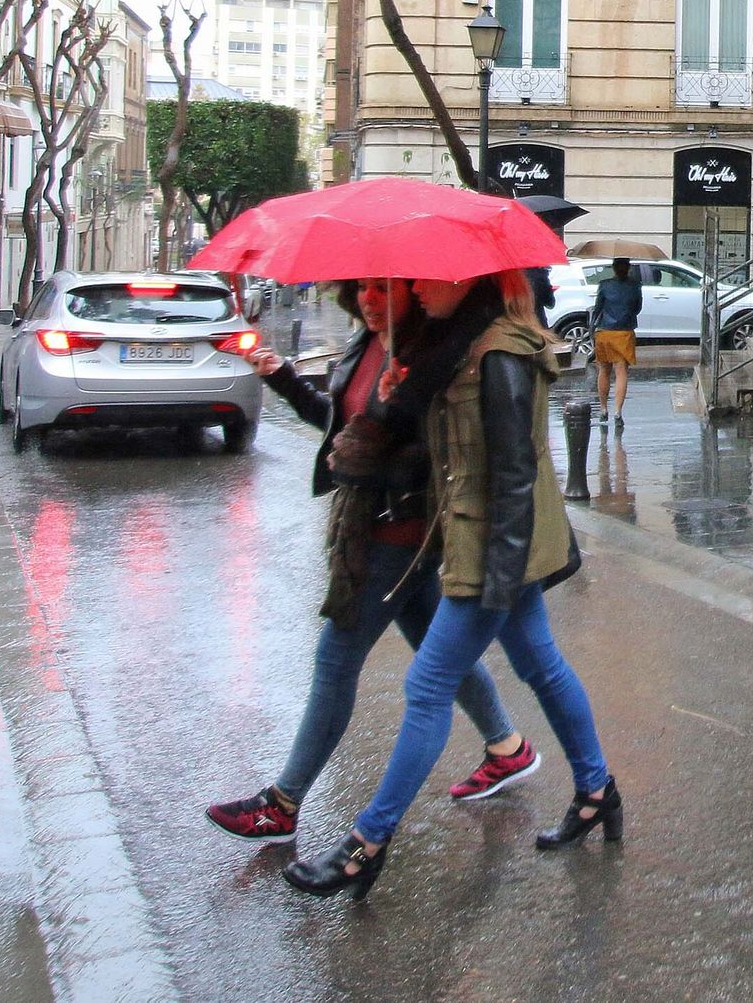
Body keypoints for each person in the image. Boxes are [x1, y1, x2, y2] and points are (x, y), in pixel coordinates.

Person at [283, 270, 620, 901]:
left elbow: (515, 474)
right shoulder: (454, 347)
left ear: (467, 280)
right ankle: (597, 790)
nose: (417, 289)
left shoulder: (498, 353)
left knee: (428, 684)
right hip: (480, 538)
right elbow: (440, 449)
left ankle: (366, 845)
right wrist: (393, 398)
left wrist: (498, 580)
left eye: (428, 280)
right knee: (540, 666)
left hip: (494, 546)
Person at [205, 277, 539, 846]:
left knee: (336, 660)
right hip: (366, 522)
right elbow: (340, 426)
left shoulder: (429, 354)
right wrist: (278, 373)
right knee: (437, 648)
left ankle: (282, 803)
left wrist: (400, 401)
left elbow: (441, 445)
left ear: (410, 291)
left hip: (395, 530)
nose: (368, 298)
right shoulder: (365, 344)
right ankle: (507, 746)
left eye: (382, 290)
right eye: (359, 289)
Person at [591, 258, 642, 429]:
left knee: (604, 370)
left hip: (605, 331)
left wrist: (592, 328)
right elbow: (637, 308)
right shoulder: (635, 286)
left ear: (613, 268)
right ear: (628, 268)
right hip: (624, 333)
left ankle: (603, 408)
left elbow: (598, 308)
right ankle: (618, 412)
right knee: (621, 373)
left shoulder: (604, 285)